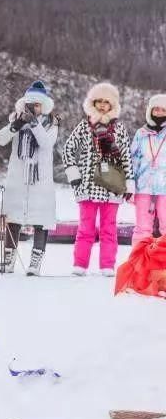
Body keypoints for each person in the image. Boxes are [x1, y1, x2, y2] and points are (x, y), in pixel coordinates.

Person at [63, 82, 133, 277]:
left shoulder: (119, 129)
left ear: (113, 105)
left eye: (106, 102)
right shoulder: (85, 126)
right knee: (85, 227)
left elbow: (126, 157)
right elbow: (68, 149)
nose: (102, 105)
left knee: (109, 229)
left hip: (112, 186)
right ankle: (80, 264)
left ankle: (107, 265)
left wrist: (129, 184)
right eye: (99, 101)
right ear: (92, 102)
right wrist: (74, 176)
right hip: (87, 186)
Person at [0, 81, 59, 276]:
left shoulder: (51, 123)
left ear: (44, 106)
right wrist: (16, 125)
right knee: (13, 217)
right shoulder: (16, 120)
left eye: (37, 105)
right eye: (30, 104)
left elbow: (46, 144)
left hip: (40, 178)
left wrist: (34, 123)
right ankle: (8, 259)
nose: (34, 108)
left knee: (40, 219)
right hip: (18, 176)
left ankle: (35, 262)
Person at [130, 94, 166, 247]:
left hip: (164, 187)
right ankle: (139, 264)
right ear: (150, 111)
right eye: (155, 109)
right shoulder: (141, 133)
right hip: (143, 187)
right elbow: (132, 159)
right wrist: (130, 185)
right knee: (142, 228)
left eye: (163, 110)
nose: (158, 113)